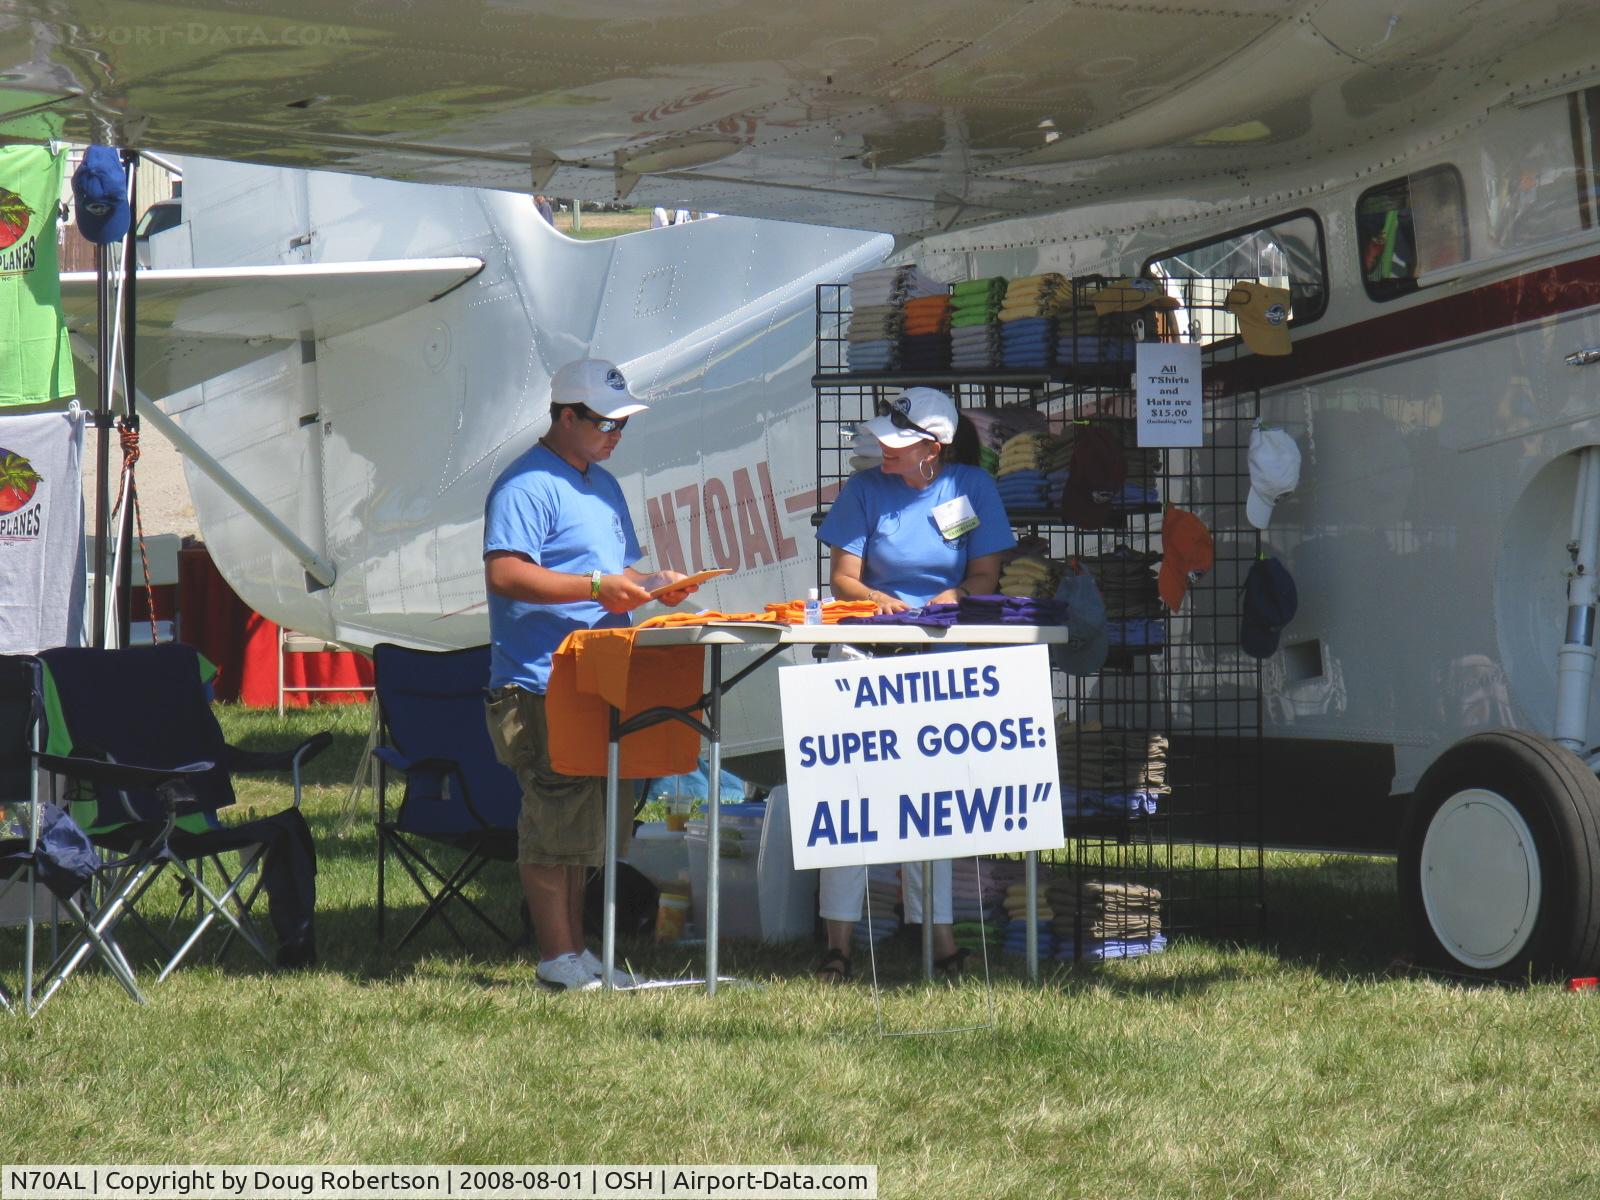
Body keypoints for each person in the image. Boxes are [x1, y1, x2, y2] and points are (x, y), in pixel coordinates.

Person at [482, 357, 695, 991]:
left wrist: (654, 585)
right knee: (554, 819)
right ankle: (556, 958)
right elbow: (506, 574)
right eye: (606, 422)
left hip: (598, 676)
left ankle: (576, 955)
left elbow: (615, 575)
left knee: (586, 827)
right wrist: (598, 585)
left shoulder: (602, 484)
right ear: (566, 417)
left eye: (623, 423)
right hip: (540, 681)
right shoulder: (524, 485)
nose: (616, 435)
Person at [812, 387, 1015, 982]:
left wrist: (950, 598)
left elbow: (984, 576)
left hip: (937, 655)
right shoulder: (864, 489)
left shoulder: (971, 488)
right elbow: (843, 579)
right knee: (848, 801)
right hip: (865, 651)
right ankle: (838, 948)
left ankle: (941, 941)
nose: (883, 449)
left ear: (935, 447)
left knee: (934, 804)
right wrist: (881, 602)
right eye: (883, 438)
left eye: (897, 442)